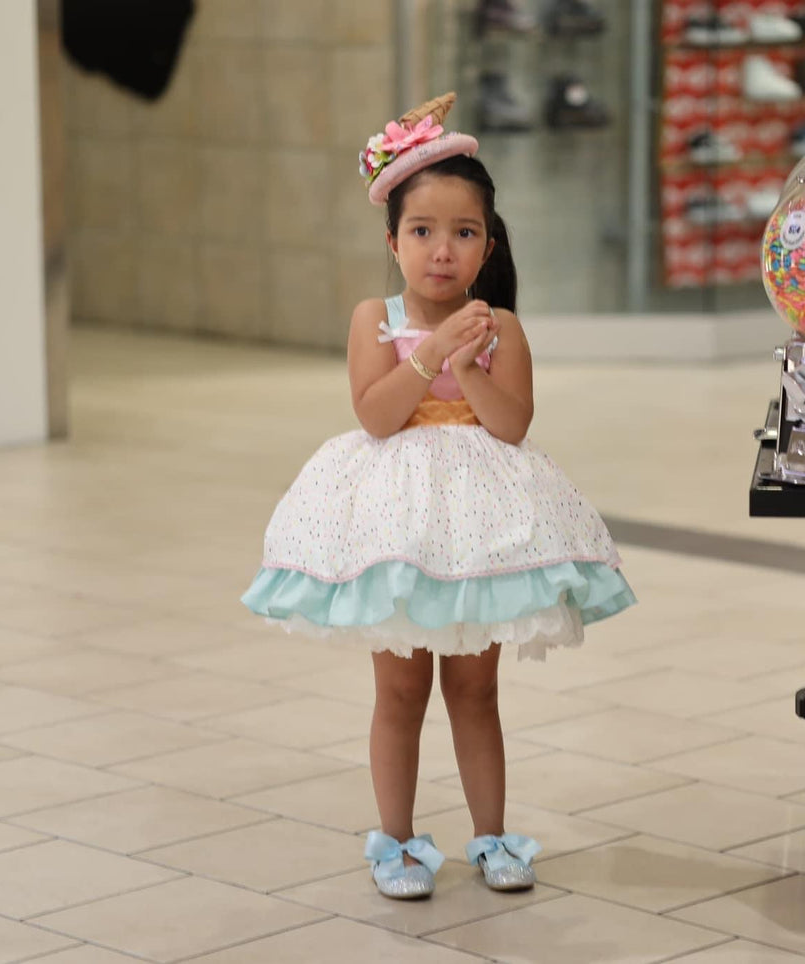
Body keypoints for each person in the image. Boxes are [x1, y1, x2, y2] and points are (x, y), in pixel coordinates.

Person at [241, 93, 635, 900]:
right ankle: (396, 841)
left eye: (463, 234)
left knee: (476, 687)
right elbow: (376, 416)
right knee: (399, 689)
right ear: (393, 242)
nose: (441, 252)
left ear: (488, 245)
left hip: (478, 525)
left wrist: (470, 358)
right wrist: (429, 359)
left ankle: (491, 836)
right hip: (395, 522)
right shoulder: (371, 320)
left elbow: (511, 427)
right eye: (422, 232)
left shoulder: (503, 328)